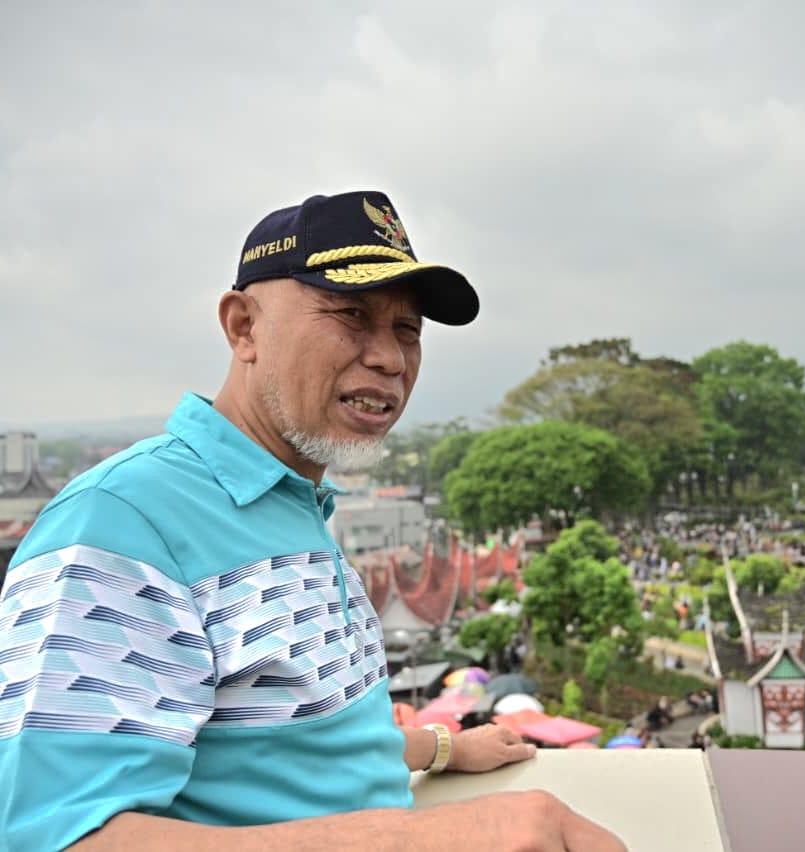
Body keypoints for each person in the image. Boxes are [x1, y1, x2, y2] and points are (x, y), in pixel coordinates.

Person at [0, 191, 625, 852]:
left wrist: (441, 748)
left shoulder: (293, 501)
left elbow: (293, 735)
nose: (390, 357)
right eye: (352, 315)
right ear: (244, 327)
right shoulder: (123, 522)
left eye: (407, 329)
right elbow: (55, 838)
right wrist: (428, 840)